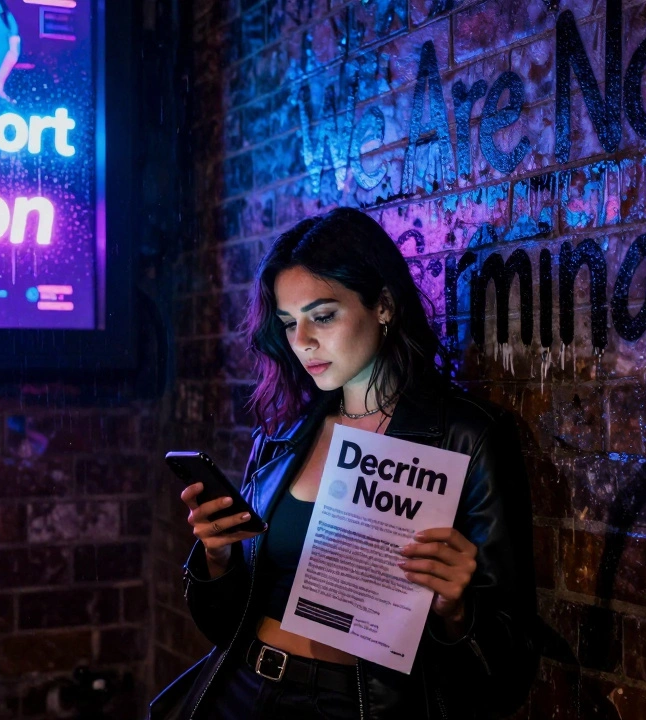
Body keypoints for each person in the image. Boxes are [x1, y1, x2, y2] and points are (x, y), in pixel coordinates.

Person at [152, 208, 539, 719]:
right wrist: (217, 561)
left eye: (324, 315)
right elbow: (226, 621)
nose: (303, 341)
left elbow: (507, 663)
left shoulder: (464, 437)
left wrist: (455, 608)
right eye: (289, 323)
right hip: (241, 688)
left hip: (355, 705)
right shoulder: (283, 437)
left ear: (382, 305)